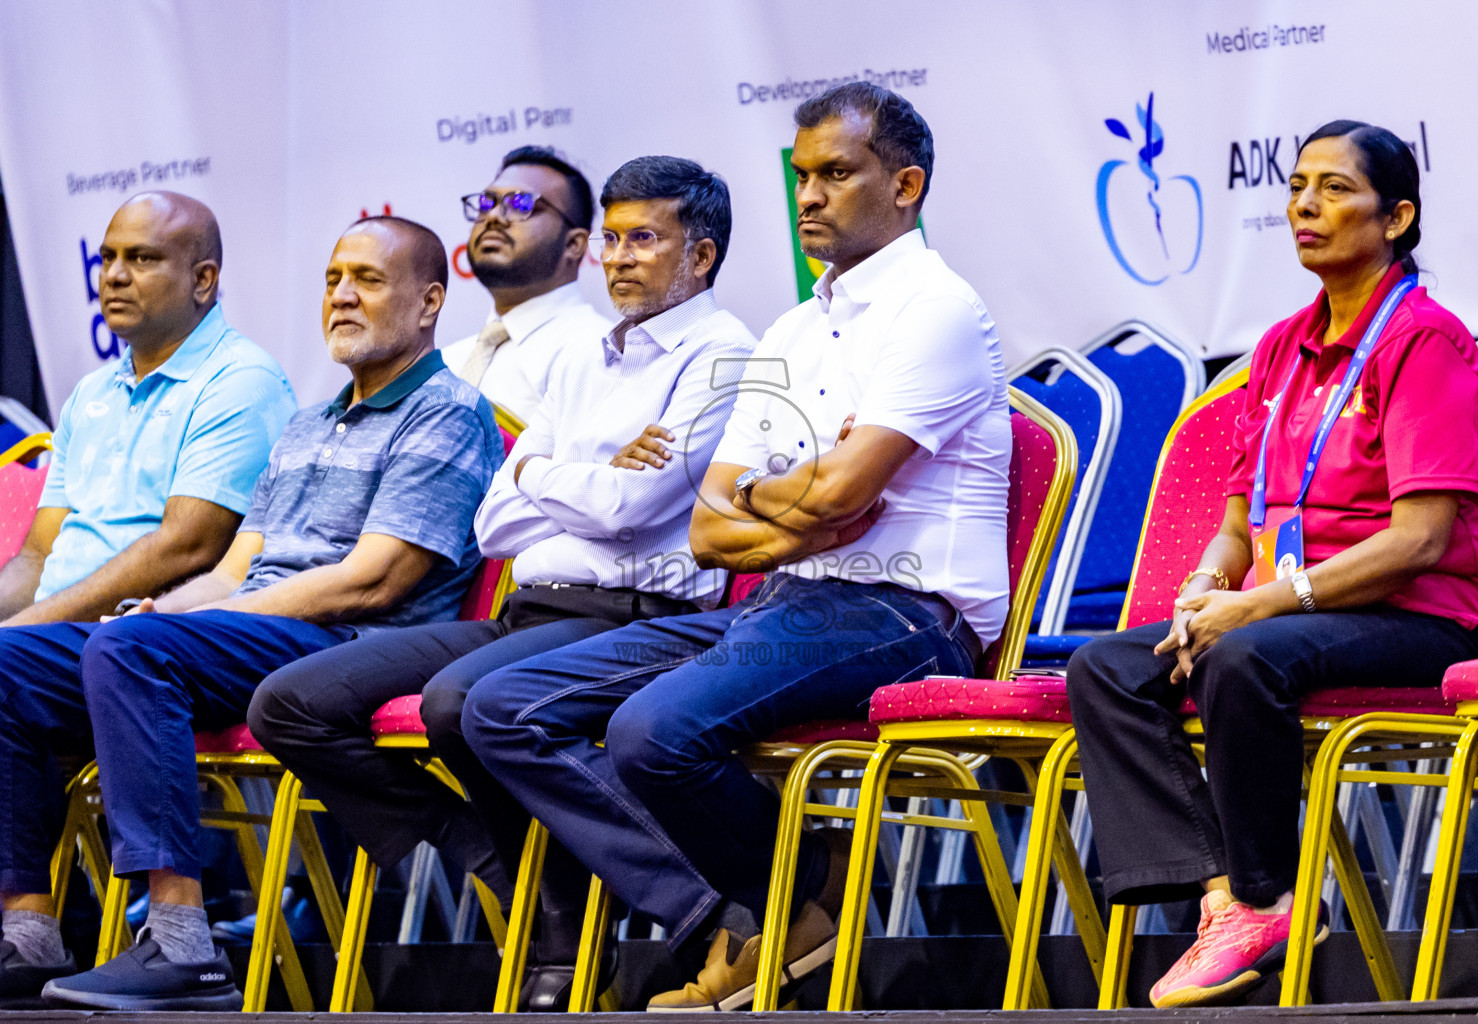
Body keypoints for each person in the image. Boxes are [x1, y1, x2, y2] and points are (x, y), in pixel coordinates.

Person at [460, 82, 1010, 1012]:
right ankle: (773, 900)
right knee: (503, 706)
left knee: (651, 730)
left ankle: (783, 903)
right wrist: (799, 505)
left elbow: (842, 491)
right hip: (782, 599)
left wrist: (792, 498)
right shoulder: (794, 329)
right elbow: (715, 533)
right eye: (800, 176)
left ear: (906, 185)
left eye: (836, 173)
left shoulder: (937, 309)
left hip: (905, 609)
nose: (808, 196)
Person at [247, 156, 756, 1010]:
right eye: (617, 241)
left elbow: (635, 507)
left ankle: (651, 916)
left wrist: (550, 473)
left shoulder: (726, 351)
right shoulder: (584, 357)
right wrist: (581, 474)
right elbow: (494, 523)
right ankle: (509, 860)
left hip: (635, 613)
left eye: (645, 240)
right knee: (289, 704)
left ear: (699, 257)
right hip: (528, 608)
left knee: (460, 704)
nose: (622, 258)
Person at [1065, 121, 1478, 1009]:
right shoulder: (1276, 349)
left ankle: (1267, 894)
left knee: (1244, 656)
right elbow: (1240, 519)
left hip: (1428, 614)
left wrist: (1265, 605)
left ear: (1397, 218)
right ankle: (1227, 898)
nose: (1306, 205)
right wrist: (1206, 583)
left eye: (1336, 188)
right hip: (1303, 611)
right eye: (1298, 185)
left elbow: (1422, 540)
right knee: (1109, 668)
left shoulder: (1425, 341)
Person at [0, 216, 501, 1011]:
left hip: (348, 644)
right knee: (13, 663)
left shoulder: (446, 411)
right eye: (333, 279)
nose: (341, 296)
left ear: (431, 301)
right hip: (256, 630)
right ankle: (27, 932)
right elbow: (234, 565)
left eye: (367, 281)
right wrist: (157, 610)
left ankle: (180, 944)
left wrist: (181, 626)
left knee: (135, 651)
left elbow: (374, 579)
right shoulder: (309, 421)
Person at [0, 191, 294, 626]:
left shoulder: (241, 380)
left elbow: (183, 549)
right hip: (42, 635)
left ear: (203, 280)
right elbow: (38, 556)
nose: (113, 276)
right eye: (107, 258)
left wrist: (20, 632)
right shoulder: (90, 392)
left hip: (133, 635)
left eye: (141, 259)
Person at [441, 145, 613, 420]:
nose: (494, 217)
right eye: (487, 203)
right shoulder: (447, 363)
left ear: (574, 244)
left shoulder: (597, 351)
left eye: (521, 204)